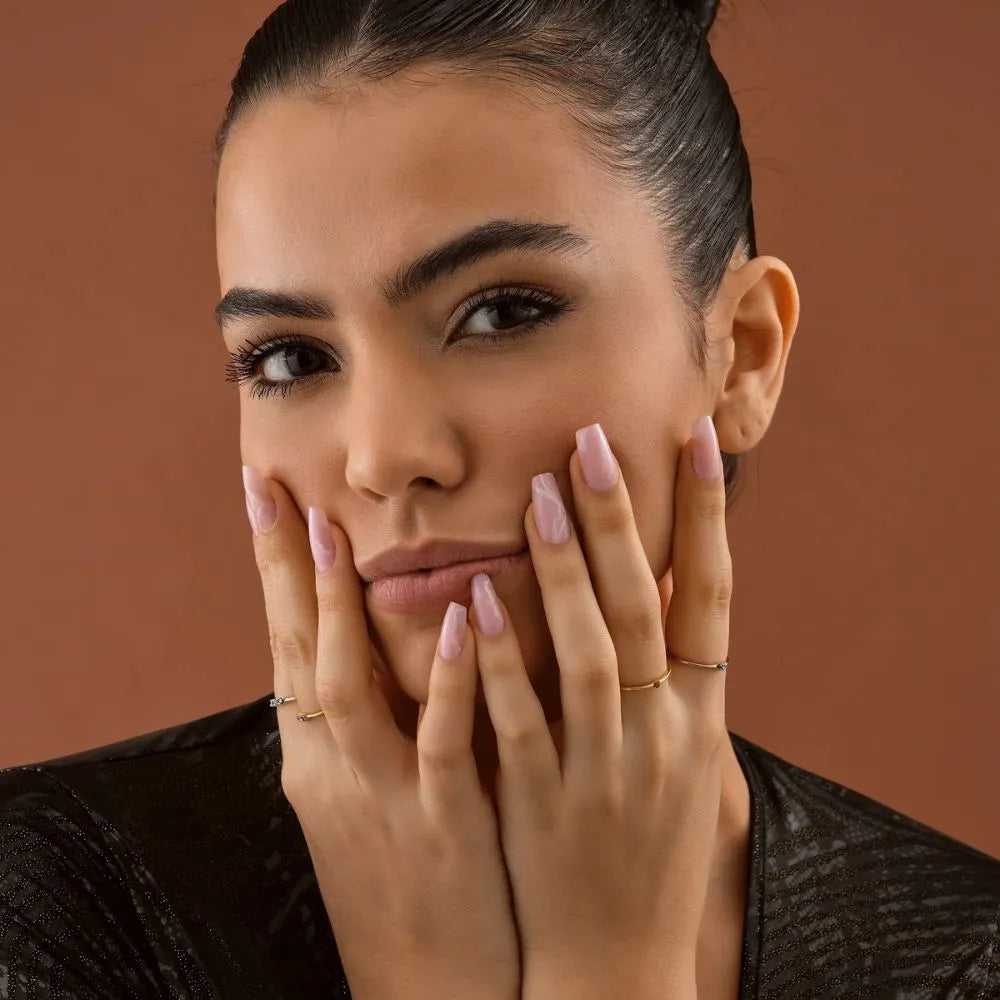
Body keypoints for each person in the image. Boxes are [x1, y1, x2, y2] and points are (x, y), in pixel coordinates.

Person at [2, 1, 999, 998]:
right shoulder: (46, 900)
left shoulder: (962, 954)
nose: (386, 456)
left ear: (740, 355)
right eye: (290, 357)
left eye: (501, 312)